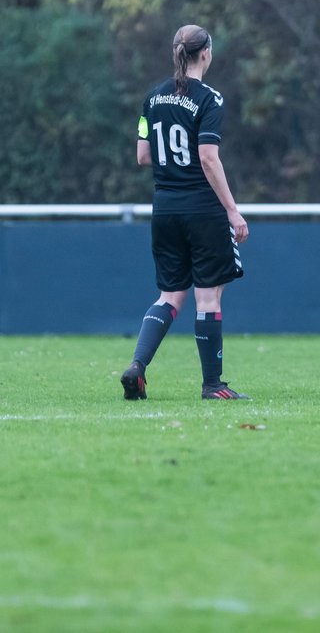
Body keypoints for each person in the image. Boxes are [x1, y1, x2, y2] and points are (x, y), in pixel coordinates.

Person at [120, 24, 250, 401]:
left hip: (165, 208)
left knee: (169, 296)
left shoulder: (152, 97)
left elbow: (143, 156)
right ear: (206, 52)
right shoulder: (210, 99)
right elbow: (209, 158)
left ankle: (138, 367)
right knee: (207, 299)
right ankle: (213, 385)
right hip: (202, 209)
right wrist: (233, 211)